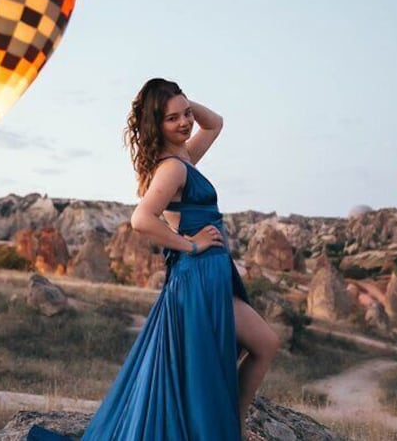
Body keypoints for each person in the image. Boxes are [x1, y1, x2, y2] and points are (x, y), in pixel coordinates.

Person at [79, 78, 280, 440]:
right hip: (198, 276)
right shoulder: (172, 167)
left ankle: (230, 423)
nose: (186, 123)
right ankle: (229, 426)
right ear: (156, 125)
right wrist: (190, 245)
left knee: (247, 349)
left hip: (211, 274)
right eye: (173, 119)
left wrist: (178, 101)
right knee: (261, 344)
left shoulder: (183, 157)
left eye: (187, 114)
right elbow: (141, 219)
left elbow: (215, 123)